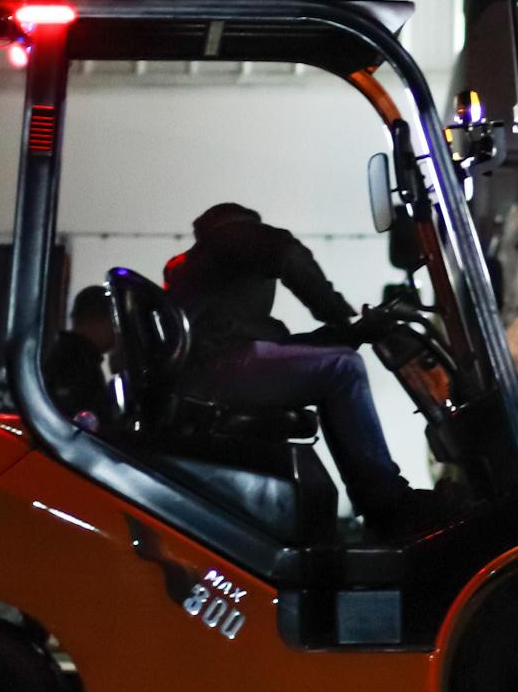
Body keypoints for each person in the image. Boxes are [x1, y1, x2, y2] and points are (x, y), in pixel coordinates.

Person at [164, 202, 431, 533]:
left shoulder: (216, 294)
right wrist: (337, 311)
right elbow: (286, 251)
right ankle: (387, 504)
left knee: (335, 366)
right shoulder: (229, 237)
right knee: (344, 369)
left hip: (215, 374)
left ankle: (381, 501)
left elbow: (284, 352)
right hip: (216, 375)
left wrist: (353, 333)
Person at [44, 285, 117, 430]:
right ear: (98, 319)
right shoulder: (75, 363)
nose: (116, 331)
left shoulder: (78, 357)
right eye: (113, 322)